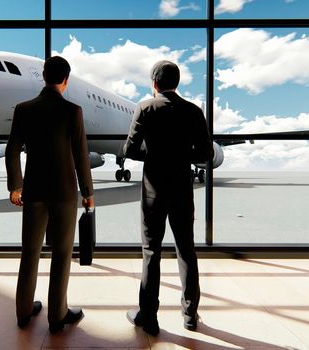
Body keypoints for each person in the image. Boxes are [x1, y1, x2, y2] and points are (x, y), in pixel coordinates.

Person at [122, 60, 213, 335]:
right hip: (182, 190)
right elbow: (205, 155)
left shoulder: (145, 108)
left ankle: (149, 317)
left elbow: (129, 149)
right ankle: (190, 314)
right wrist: (183, 156)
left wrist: (153, 156)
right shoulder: (193, 111)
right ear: (177, 83)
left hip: (153, 191)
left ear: (154, 83)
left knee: (151, 252)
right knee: (186, 250)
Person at [6, 56, 94, 333]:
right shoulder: (73, 111)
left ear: (43, 76)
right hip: (65, 192)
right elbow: (81, 156)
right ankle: (58, 315)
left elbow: (12, 150)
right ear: (66, 80)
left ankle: (23, 310)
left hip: (33, 190)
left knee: (30, 251)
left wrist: (15, 186)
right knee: (62, 252)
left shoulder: (24, 109)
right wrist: (88, 192)